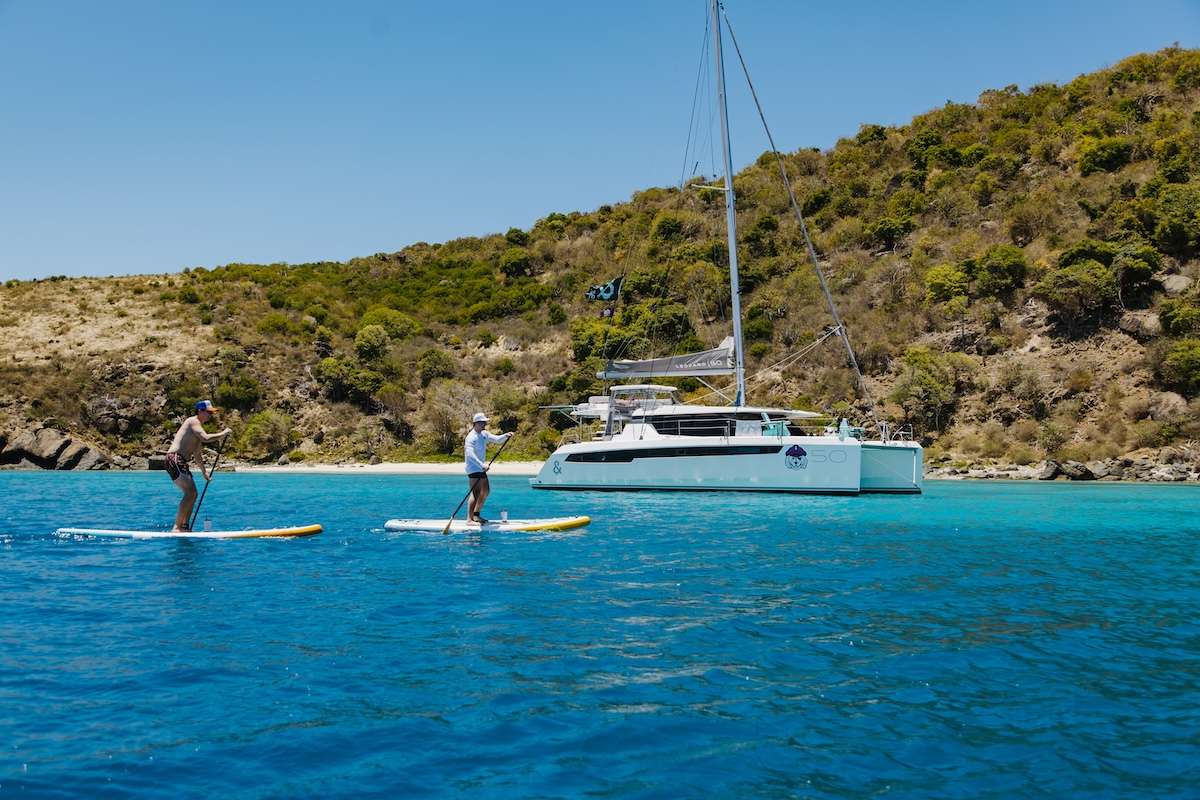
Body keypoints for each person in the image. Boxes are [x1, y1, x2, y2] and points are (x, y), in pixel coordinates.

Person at [166, 400, 232, 532]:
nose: (210, 415)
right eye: (208, 412)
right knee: (190, 493)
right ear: (200, 411)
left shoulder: (197, 429)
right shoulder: (193, 421)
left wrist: (204, 472)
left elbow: (197, 454)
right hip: (174, 458)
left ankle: (185, 527)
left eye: (211, 413)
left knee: (193, 494)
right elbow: (206, 438)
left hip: (180, 461)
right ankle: (177, 527)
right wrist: (223, 433)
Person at [464, 412, 513, 524]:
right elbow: (470, 455)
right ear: (476, 423)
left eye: (485, 422)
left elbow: (497, 439)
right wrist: (482, 465)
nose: (485, 424)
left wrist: (505, 435)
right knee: (476, 492)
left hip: (480, 468)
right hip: (473, 468)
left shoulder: (484, 434)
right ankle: (469, 519)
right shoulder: (470, 437)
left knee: (485, 491)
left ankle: (476, 515)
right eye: (483, 422)